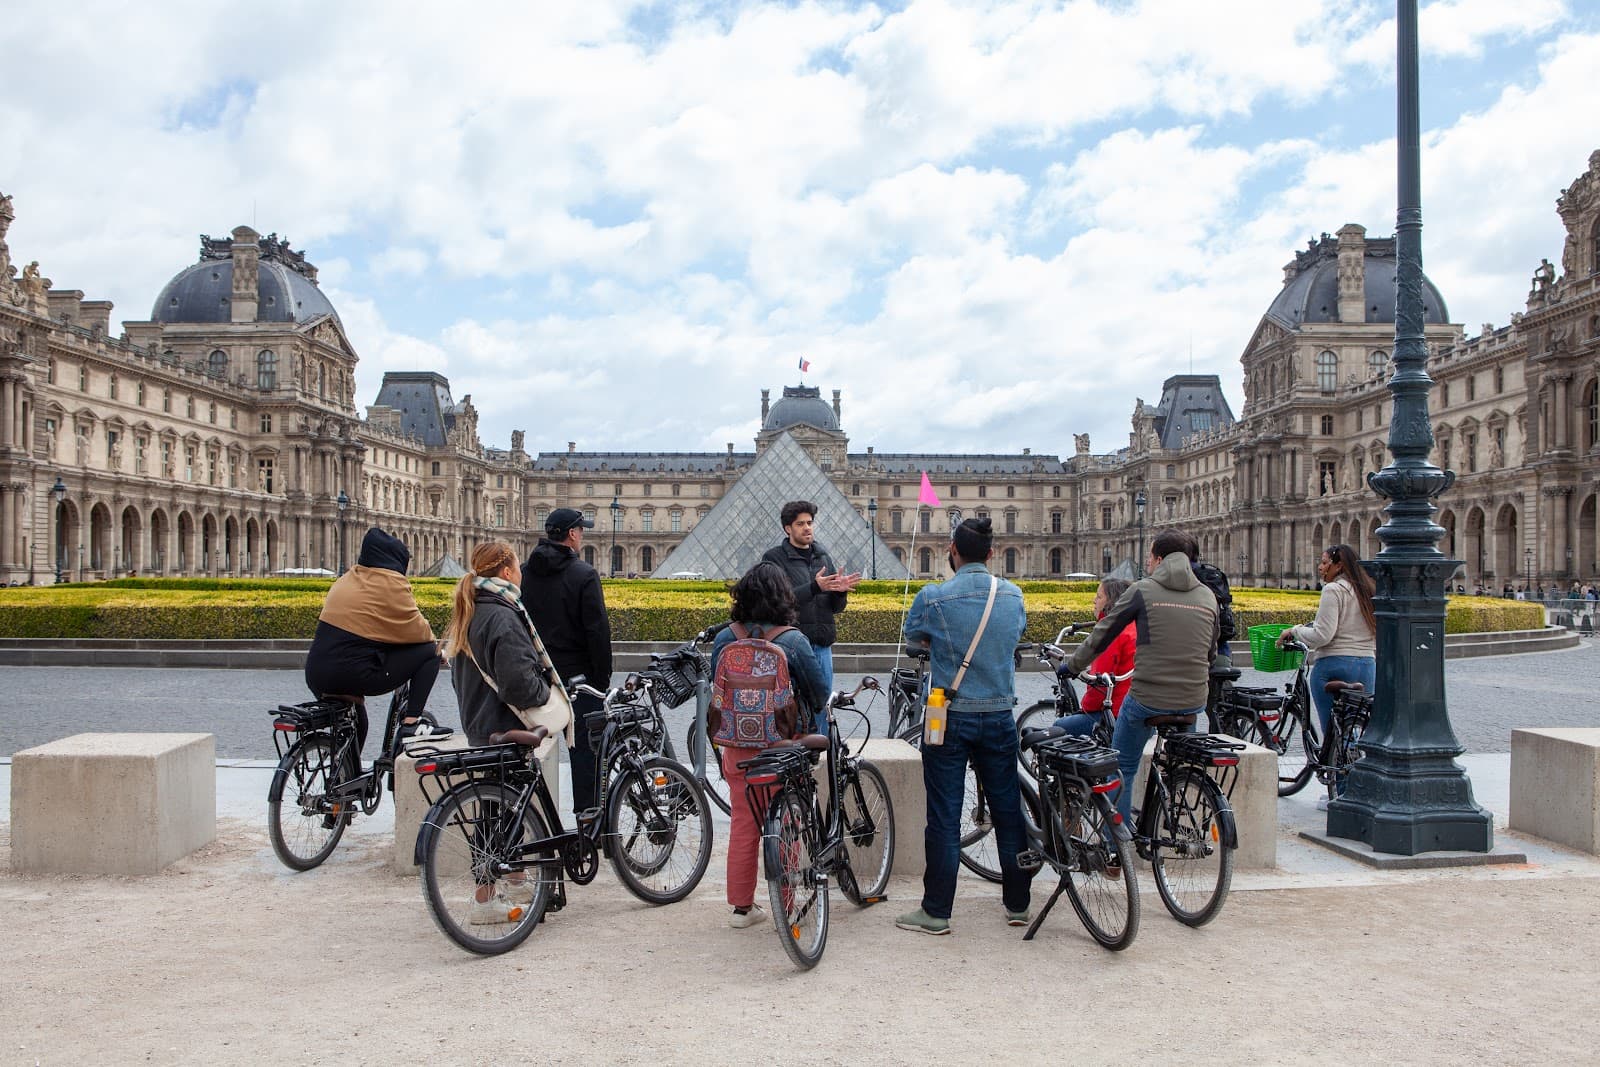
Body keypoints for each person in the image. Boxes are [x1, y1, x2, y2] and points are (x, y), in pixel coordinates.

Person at [896, 517, 1031, 936]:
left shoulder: (932, 596)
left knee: (944, 816)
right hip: (998, 716)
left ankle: (937, 912)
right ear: (991, 554)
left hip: (948, 717)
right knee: (1009, 811)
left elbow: (912, 639)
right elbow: (1015, 638)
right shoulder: (1013, 596)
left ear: (951, 551)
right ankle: (1018, 904)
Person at [1066, 530, 1218, 827]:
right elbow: (1210, 652)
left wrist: (1072, 666)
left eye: (1149, 556)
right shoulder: (1207, 596)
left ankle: (1114, 847)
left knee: (1122, 766)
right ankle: (1172, 818)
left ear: (1159, 559)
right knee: (1179, 761)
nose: (1147, 562)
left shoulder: (1143, 590)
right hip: (1192, 700)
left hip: (1148, 699)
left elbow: (1103, 633)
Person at [441, 540, 558, 926]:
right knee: (495, 815)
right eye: (517, 565)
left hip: (479, 723)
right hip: (503, 725)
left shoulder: (470, 610)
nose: (521, 571)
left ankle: (516, 877)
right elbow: (519, 684)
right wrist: (547, 690)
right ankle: (483, 899)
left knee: (499, 809)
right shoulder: (503, 616)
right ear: (506, 572)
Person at [710, 561, 828, 930]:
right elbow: (819, 693)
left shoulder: (724, 639)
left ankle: (742, 909)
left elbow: (717, 693)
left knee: (744, 823)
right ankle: (787, 903)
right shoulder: (792, 640)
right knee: (788, 819)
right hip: (782, 747)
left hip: (737, 748)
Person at [303, 527, 448, 751]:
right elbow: (421, 633)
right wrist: (441, 653)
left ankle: (347, 778)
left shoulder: (346, 579)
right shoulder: (390, 583)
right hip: (352, 674)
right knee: (431, 652)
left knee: (357, 722)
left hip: (317, 674)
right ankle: (412, 723)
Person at [522, 507, 612, 819]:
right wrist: (600, 681)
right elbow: (597, 632)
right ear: (572, 534)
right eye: (581, 531)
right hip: (578, 680)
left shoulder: (523, 573)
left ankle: (527, 824)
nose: (582, 535)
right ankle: (588, 826)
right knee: (586, 756)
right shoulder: (584, 575)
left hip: (536, 677)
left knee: (525, 752)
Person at [1276, 544, 1377, 810]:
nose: (1320, 567)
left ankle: (1343, 794)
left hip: (1334, 666)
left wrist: (1295, 631)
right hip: (1366, 665)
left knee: (1336, 733)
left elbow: (1323, 635)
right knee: (1353, 727)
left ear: (1338, 564)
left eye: (1323, 562)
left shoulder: (1334, 590)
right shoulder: (1367, 589)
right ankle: (1356, 787)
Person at [761, 500, 860, 696]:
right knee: (787, 705)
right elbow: (777, 601)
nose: (807, 528)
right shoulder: (773, 559)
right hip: (789, 646)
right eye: (800, 524)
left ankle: (820, 729)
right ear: (787, 528)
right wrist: (815, 587)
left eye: (809, 522)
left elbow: (834, 608)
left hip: (821, 646)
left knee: (821, 703)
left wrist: (840, 592)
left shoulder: (823, 558)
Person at [1052, 578, 1134, 738]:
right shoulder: (1133, 626)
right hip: (1134, 709)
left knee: (1060, 727)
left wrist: (1083, 709)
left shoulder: (1111, 633)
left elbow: (1100, 689)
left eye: (1099, 596)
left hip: (1117, 713)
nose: (1094, 600)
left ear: (1111, 601)